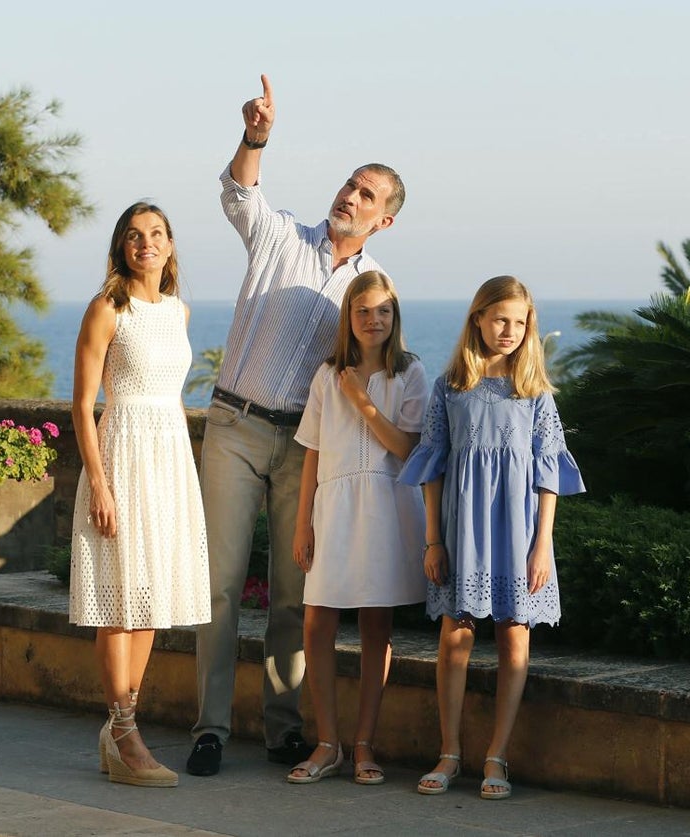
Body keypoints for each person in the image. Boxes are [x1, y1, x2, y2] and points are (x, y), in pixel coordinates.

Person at [187, 74, 406, 777]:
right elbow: (239, 193)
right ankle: (210, 726)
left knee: (293, 593)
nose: (350, 195)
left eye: (367, 194)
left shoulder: (373, 293)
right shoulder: (279, 235)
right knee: (219, 586)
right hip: (235, 426)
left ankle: (282, 728)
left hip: (302, 447)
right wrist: (256, 136)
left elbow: (382, 364)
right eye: (349, 184)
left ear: (384, 220)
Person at [398, 275, 585, 800]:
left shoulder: (535, 394)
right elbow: (431, 467)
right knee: (455, 636)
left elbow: (549, 475)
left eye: (520, 322)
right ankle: (450, 752)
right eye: (500, 318)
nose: (509, 330)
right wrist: (433, 539)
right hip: (463, 530)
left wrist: (542, 544)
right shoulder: (449, 388)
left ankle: (496, 757)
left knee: (513, 637)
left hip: (520, 532)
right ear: (477, 318)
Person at [70, 201, 211, 788]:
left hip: (167, 460)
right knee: (120, 600)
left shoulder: (178, 311)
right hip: (121, 457)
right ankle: (123, 729)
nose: (146, 243)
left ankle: (123, 727)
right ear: (121, 247)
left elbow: (172, 397)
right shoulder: (107, 309)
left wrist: (186, 472)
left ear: (171, 245)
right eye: (134, 235)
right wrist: (99, 482)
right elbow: (82, 403)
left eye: (156, 234)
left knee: (150, 599)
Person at [286, 271, 429, 785]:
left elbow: (407, 448)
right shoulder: (327, 376)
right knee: (316, 621)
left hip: (387, 508)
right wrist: (303, 522)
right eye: (363, 311)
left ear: (395, 317)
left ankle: (364, 744)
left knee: (376, 626)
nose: (373, 320)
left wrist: (363, 401)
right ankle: (328, 743)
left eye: (383, 311)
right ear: (349, 317)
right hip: (335, 506)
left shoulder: (409, 373)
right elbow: (312, 452)